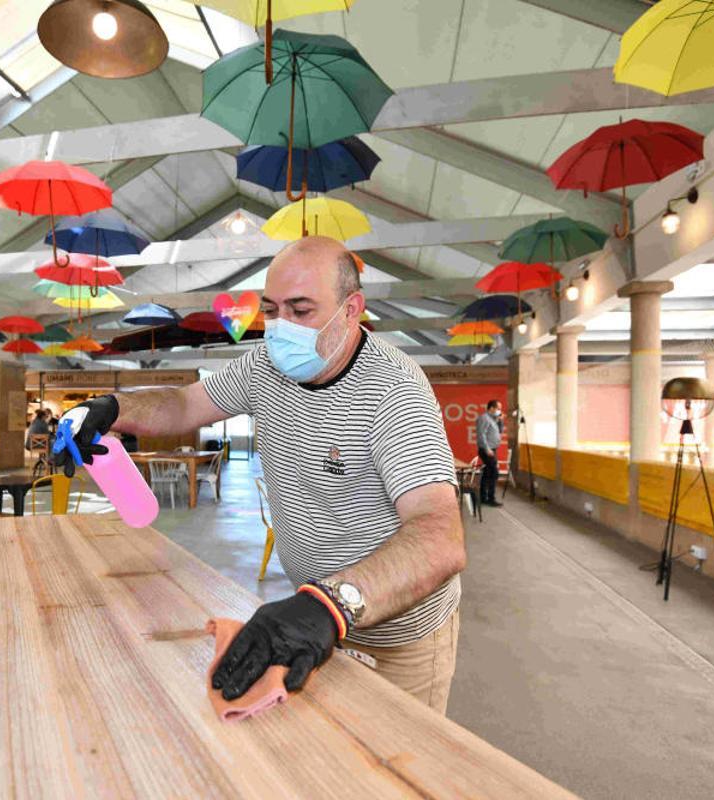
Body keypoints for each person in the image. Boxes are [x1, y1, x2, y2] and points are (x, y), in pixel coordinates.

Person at [52, 236, 466, 713]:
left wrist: (330, 606)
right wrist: (114, 407)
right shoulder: (263, 367)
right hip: (312, 617)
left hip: (397, 639)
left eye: (301, 310)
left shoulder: (394, 390)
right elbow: (184, 404)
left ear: (352, 310)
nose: (281, 327)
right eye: (271, 310)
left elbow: (440, 536)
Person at [476, 400, 504, 508]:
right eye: (498, 408)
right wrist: (487, 448)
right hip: (486, 450)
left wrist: (500, 421)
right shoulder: (484, 418)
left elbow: (500, 431)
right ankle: (491, 498)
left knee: (487, 473)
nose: (500, 411)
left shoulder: (494, 419)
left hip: (492, 449)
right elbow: (481, 434)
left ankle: (483, 497)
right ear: (491, 408)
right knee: (494, 473)